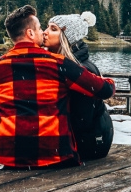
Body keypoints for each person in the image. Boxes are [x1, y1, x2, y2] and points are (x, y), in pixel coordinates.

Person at [0, 4, 115, 173]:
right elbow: (105, 90)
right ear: (30, 33)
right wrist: (106, 80)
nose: (43, 32)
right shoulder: (59, 64)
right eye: (39, 28)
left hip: (10, 152)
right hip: (56, 154)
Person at [43, 12, 114, 161]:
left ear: (67, 38)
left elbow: (82, 120)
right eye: (47, 27)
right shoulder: (63, 63)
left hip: (92, 143)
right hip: (88, 137)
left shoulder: (80, 70)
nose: (45, 32)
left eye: (53, 29)